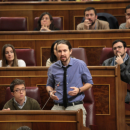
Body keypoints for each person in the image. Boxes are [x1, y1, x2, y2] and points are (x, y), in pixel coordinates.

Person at [46, 40, 93, 127]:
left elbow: (89, 83)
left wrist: (79, 90)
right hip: (58, 106)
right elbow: (49, 85)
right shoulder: (52, 67)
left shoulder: (80, 64)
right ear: (56, 53)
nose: (62, 53)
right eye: (59, 51)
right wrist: (50, 92)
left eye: (65, 50)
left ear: (70, 51)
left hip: (75, 105)